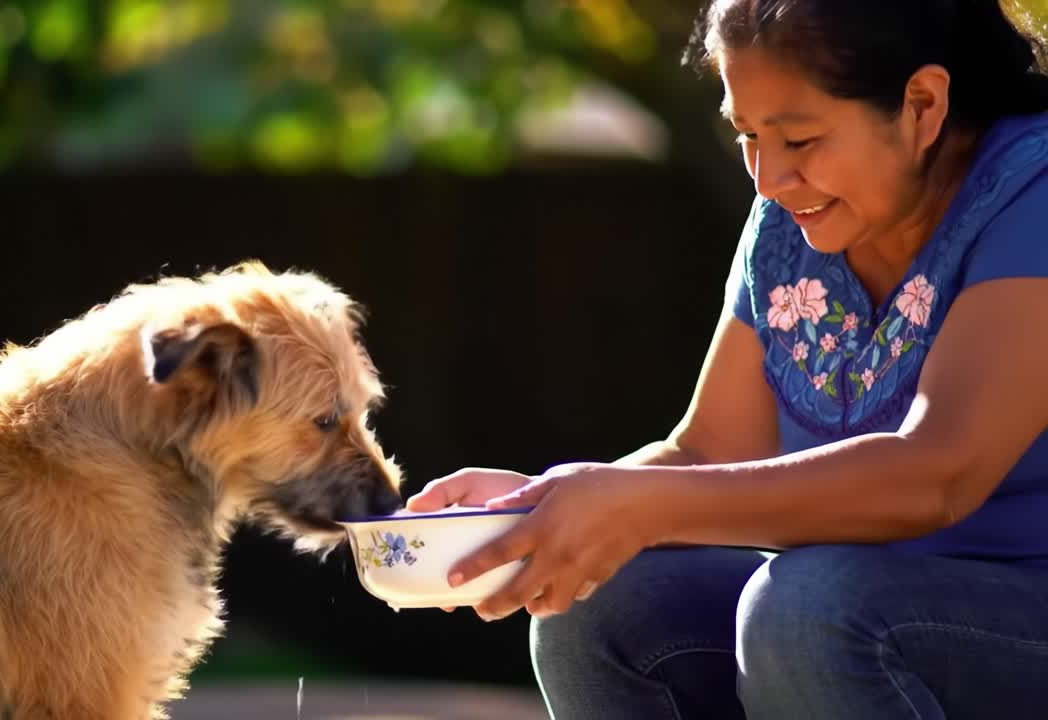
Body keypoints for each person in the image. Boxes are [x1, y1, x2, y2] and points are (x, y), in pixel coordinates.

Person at [404, 1, 1048, 718]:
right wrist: (545, 510)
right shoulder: (788, 222)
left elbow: (940, 473)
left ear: (922, 105)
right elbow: (708, 451)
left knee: (805, 609)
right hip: (866, 601)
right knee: (601, 602)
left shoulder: (1033, 191)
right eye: (746, 135)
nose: (767, 179)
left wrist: (638, 507)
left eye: (799, 140)